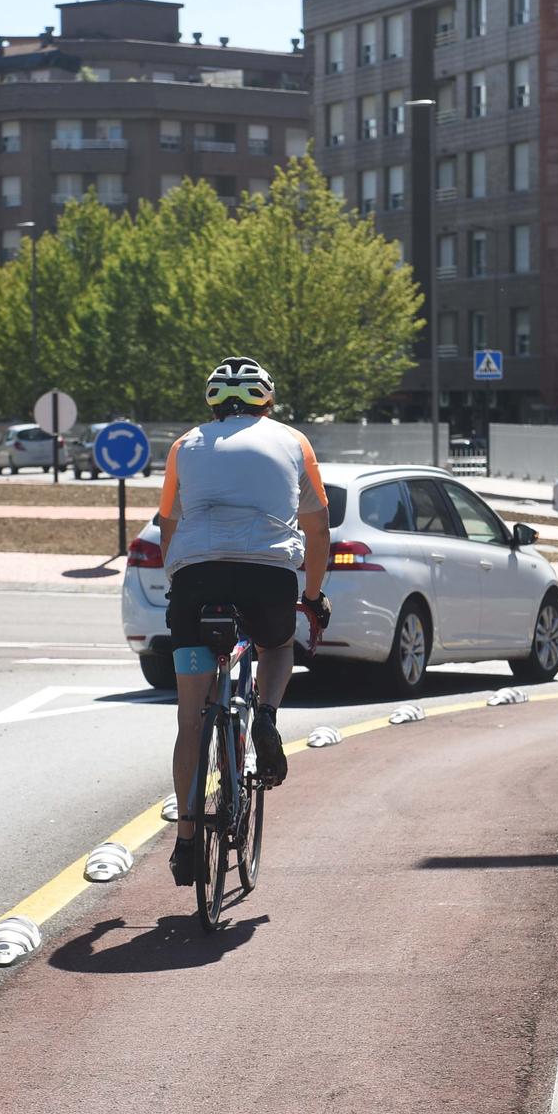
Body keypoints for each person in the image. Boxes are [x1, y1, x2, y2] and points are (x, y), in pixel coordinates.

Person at [156, 356, 332, 887]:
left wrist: (178, 586)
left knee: (190, 719)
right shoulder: (294, 442)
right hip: (267, 579)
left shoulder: (183, 446)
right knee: (277, 646)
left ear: (212, 404)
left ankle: (187, 843)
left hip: (196, 583)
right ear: (267, 402)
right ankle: (269, 716)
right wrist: (314, 595)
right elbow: (319, 526)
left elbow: (168, 523)